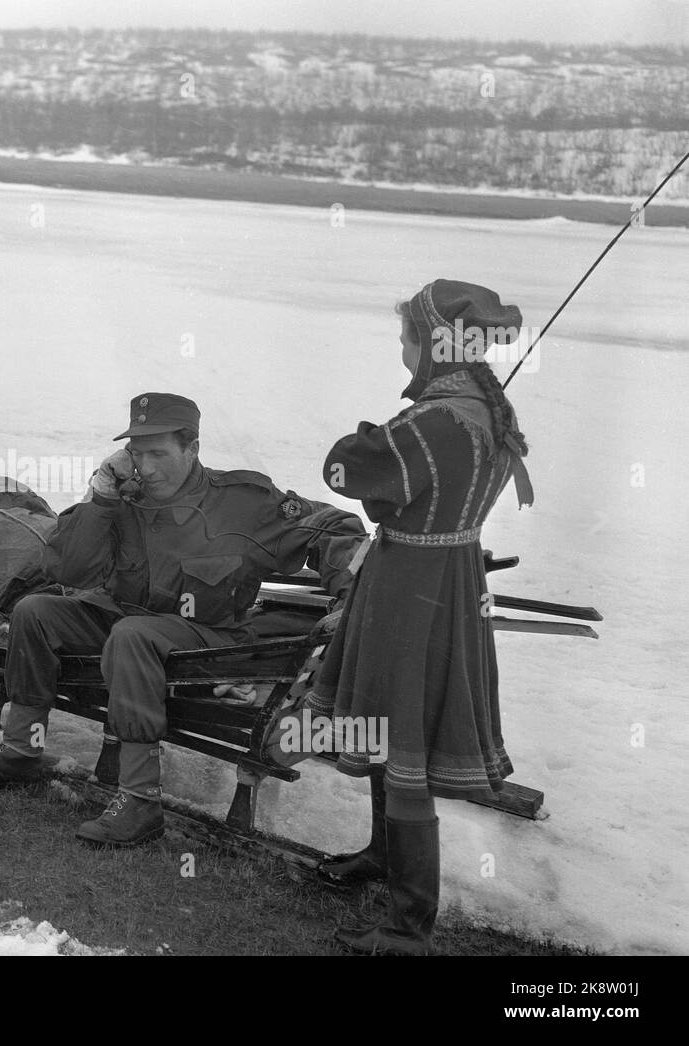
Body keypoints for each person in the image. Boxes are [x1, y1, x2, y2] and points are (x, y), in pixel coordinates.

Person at [0, 392, 366, 847]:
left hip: (209, 640)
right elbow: (68, 570)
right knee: (37, 611)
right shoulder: (123, 500)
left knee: (133, 635)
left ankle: (141, 800)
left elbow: (334, 530)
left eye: (159, 453)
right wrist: (101, 498)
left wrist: (352, 600)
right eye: (137, 452)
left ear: (192, 449)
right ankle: (22, 750)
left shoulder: (246, 501)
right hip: (129, 622)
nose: (146, 466)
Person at [307, 279, 533, 955]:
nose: (400, 344)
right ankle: (383, 856)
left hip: (410, 585)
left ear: (436, 344)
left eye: (408, 334)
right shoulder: (485, 412)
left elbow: (350, 474)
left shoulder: (435, 422)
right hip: (450, 575)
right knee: (391, 725)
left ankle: (409, 921)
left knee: (399, 733)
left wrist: (359, 441)